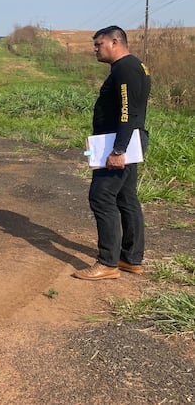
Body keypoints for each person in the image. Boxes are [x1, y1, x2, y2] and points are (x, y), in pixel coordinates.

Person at [73, 26, 151, 280]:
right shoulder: (133, 66)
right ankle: (130, 258)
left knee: (101, 197)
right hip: (128, 141)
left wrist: (118, 150)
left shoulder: (126, 69)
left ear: (115, 42)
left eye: (98, 44)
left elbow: (128, 112)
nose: (95, 49)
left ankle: (108, 263)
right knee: (126, 198)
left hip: (119, 144)